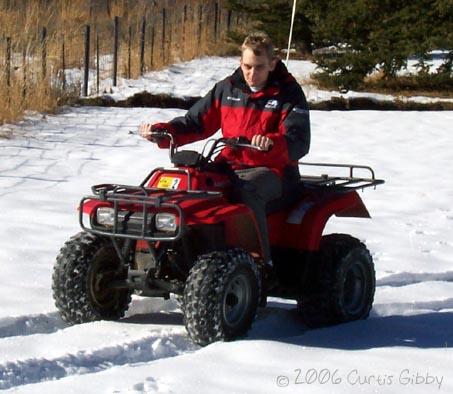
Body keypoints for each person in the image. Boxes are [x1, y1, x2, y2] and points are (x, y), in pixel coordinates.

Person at [139, 32, 310, 271]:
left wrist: (271, 144)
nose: (252, 73)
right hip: (228, 165)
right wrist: (161, 132)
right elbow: (195, 123)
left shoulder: (288, 94)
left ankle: (260, 263)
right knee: (184, 185)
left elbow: (299, 141)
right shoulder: (228, 89)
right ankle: (164, 249)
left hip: (274, 170)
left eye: (259, 67)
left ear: (272, 64)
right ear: (241, 62)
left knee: (246, 191)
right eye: (247, 66)